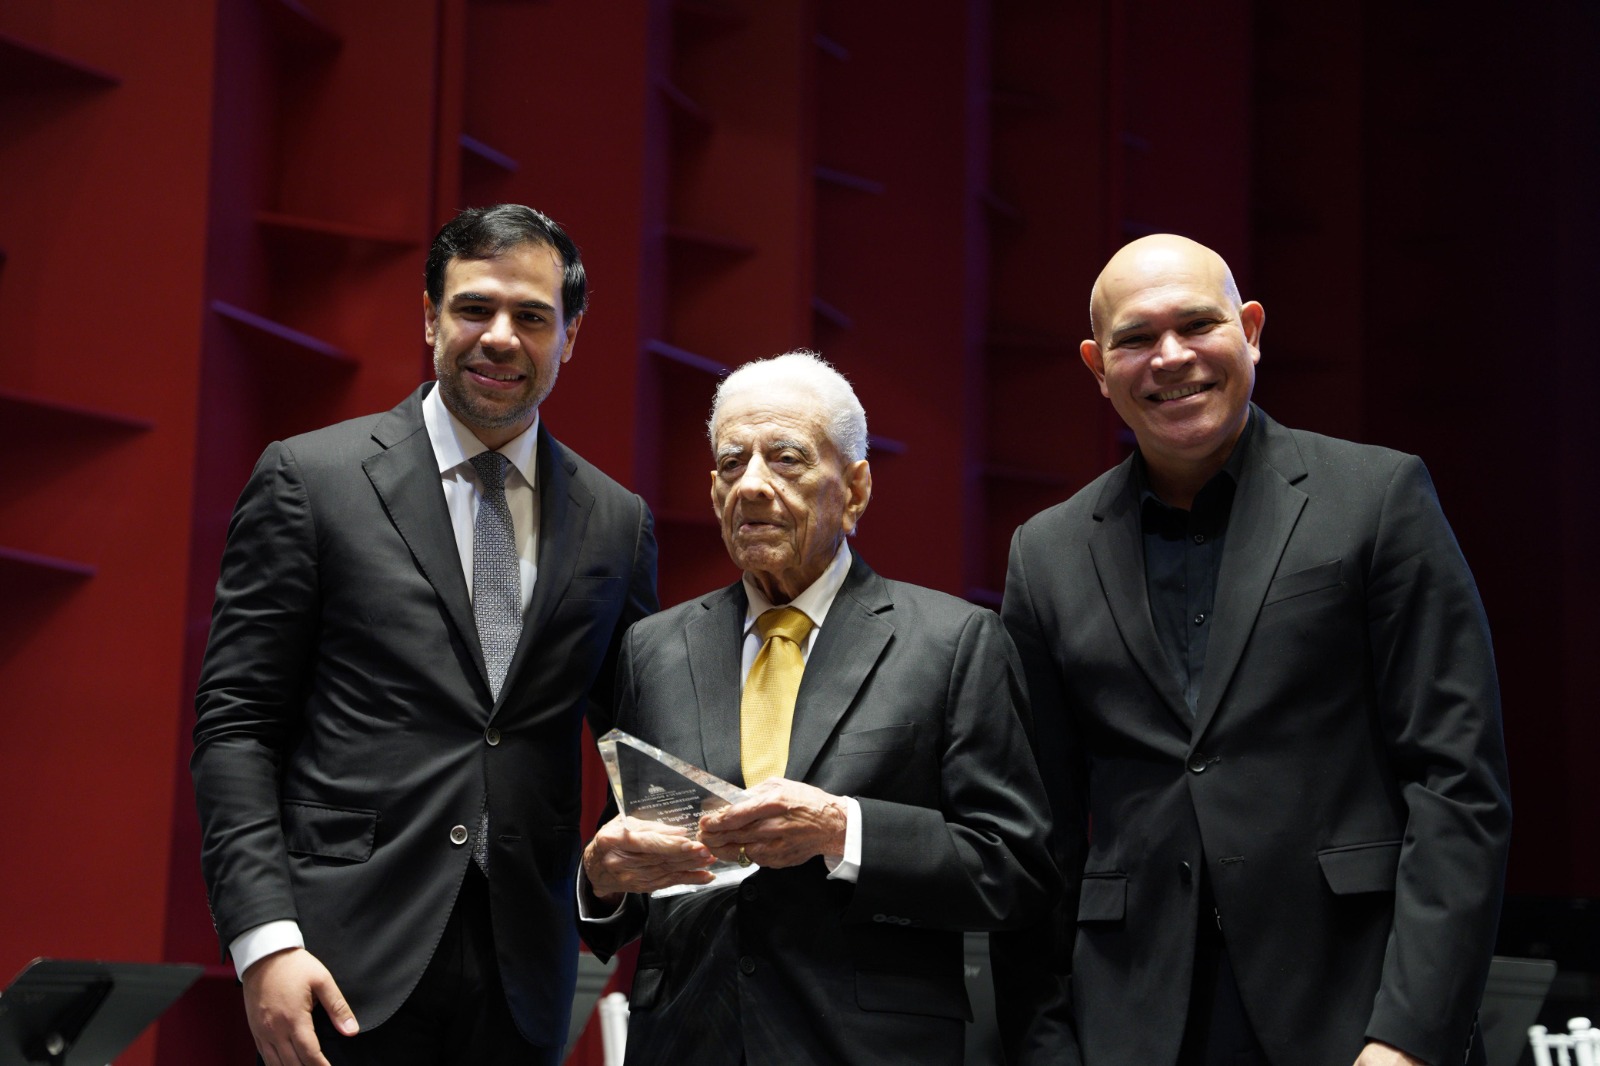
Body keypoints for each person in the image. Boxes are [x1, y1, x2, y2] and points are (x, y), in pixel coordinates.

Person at [996, 234, 1511, 1066]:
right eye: (1135, 339)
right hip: (1135, 1024)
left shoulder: (1378, 498)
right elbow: (1040, 835)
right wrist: (1048, 1048)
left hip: (1356, 1014)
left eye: (1197, 324)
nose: (1171, 358)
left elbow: (1457, 784)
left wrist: (1410, 1036)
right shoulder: (1045, 552)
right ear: (1097, 364)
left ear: (1253, 329)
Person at [191, 203, 658, 1066]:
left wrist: (611, 888)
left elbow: (642, 736)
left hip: (525, 972)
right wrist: (264, 939)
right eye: (474, 308)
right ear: (429, 316)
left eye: (531, 316)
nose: (500, 338)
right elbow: (236, 728)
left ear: (572, 335)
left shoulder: (617, 523)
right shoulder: (309, 479)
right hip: (338, 958)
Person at [578, 350, 1056, 1066]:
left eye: (788, 459)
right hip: (684, 1043)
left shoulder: (954, 642)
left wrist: (843, 831)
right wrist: (602, 882)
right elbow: (635, 880)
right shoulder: (654, 648)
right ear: (712, 494)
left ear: (856, 488)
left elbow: (1014, 871)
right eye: (732, 464)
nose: (753, 486)